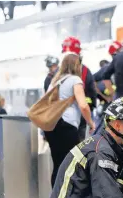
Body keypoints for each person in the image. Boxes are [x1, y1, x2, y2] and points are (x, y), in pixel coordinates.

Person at [43, 53, 95, 187]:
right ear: (76, 65)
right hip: (66, 126)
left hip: (52, 125)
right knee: (72, 163)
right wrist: (90, 122)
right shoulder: (74, 80)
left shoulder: (55, 80)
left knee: (58, 163)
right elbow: (83, 105)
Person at [51, 36, 98, 141]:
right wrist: (90, 112)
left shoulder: (56, 74)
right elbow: (91, 93)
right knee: (77, 147)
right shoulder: (85, 71)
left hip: (56, 116)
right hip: (78, 116)